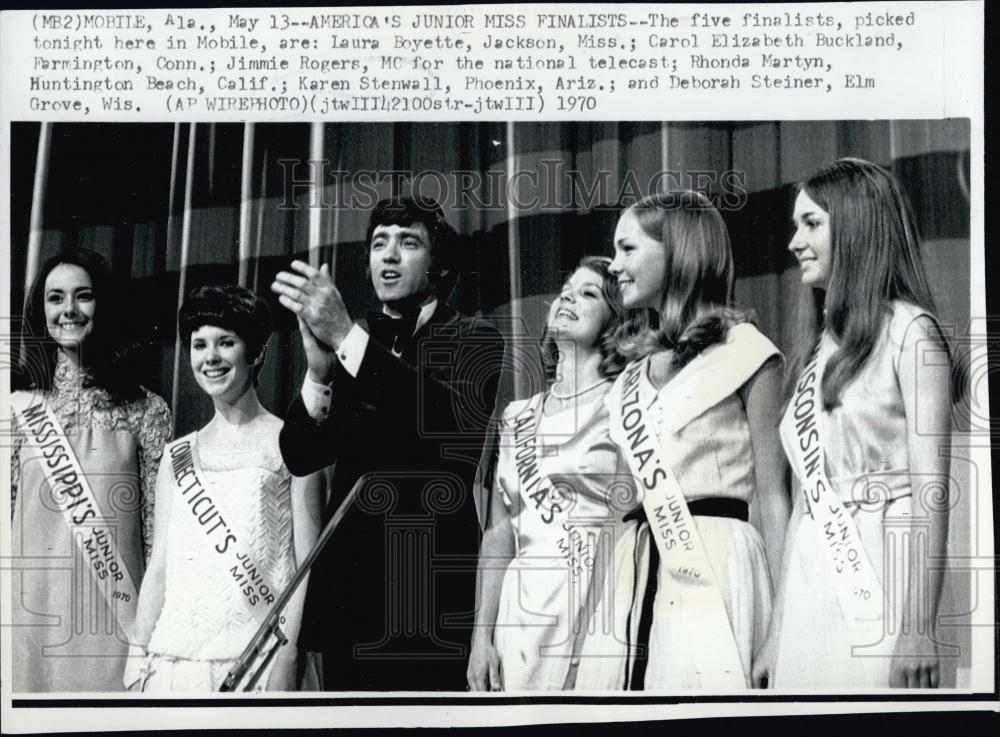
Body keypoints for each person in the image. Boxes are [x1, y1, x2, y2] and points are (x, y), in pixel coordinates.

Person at [271, 196, 505, 691]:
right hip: (350, 600)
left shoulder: (476, 337)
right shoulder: (349, 341)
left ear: (437, 264)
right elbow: (300, 456)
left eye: (408, 243)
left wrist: (345, 340)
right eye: (379, 244)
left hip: (433, 598)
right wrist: (318, 372)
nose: (389, 256)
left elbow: (442, 429)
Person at [757, 158, 958, 689]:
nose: (794, 242)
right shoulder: (814, 351)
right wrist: (778, 630)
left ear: (856, 226)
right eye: (795, 226)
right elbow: (803, 502)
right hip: (810, 573)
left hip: (884, 559)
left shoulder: (911, 333)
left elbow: (932, 488)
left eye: (812, 224)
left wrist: (919, 626)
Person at [605, 191, 789, 689]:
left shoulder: (748, 353)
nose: (614, 266)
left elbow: (774, 498)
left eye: (628, 250)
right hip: (640, 568)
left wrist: (780, 626)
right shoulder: (629, 380)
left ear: (679, 253)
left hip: (718, 561)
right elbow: (623, 502)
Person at [130, 285, 322, 692]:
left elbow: (307, 568)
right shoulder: (177, 454)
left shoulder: (295, 443)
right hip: (174, 664)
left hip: (258, 663)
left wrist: (286, 662)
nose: (211, 357)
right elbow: (160, 566)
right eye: (199, 344)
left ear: (255, 353)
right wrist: (137, 657)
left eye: (226, 342)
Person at [467, 256, 643, 692]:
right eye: (567, 289)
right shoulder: (517, 417)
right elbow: (498, 532)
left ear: (614, 321)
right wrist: (480, 636)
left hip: (593, 606)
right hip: (519, 615)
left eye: (588, 294)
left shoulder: (625, 405)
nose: (568, 297)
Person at [9, 248, 172, 692]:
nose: (69, 310)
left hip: (114, 622)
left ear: (105, 305)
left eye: (84, 296)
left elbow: (160, 536)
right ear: (40, 310)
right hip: (29, 621)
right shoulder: (14, 410)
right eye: (55, 298)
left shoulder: (146, 411)